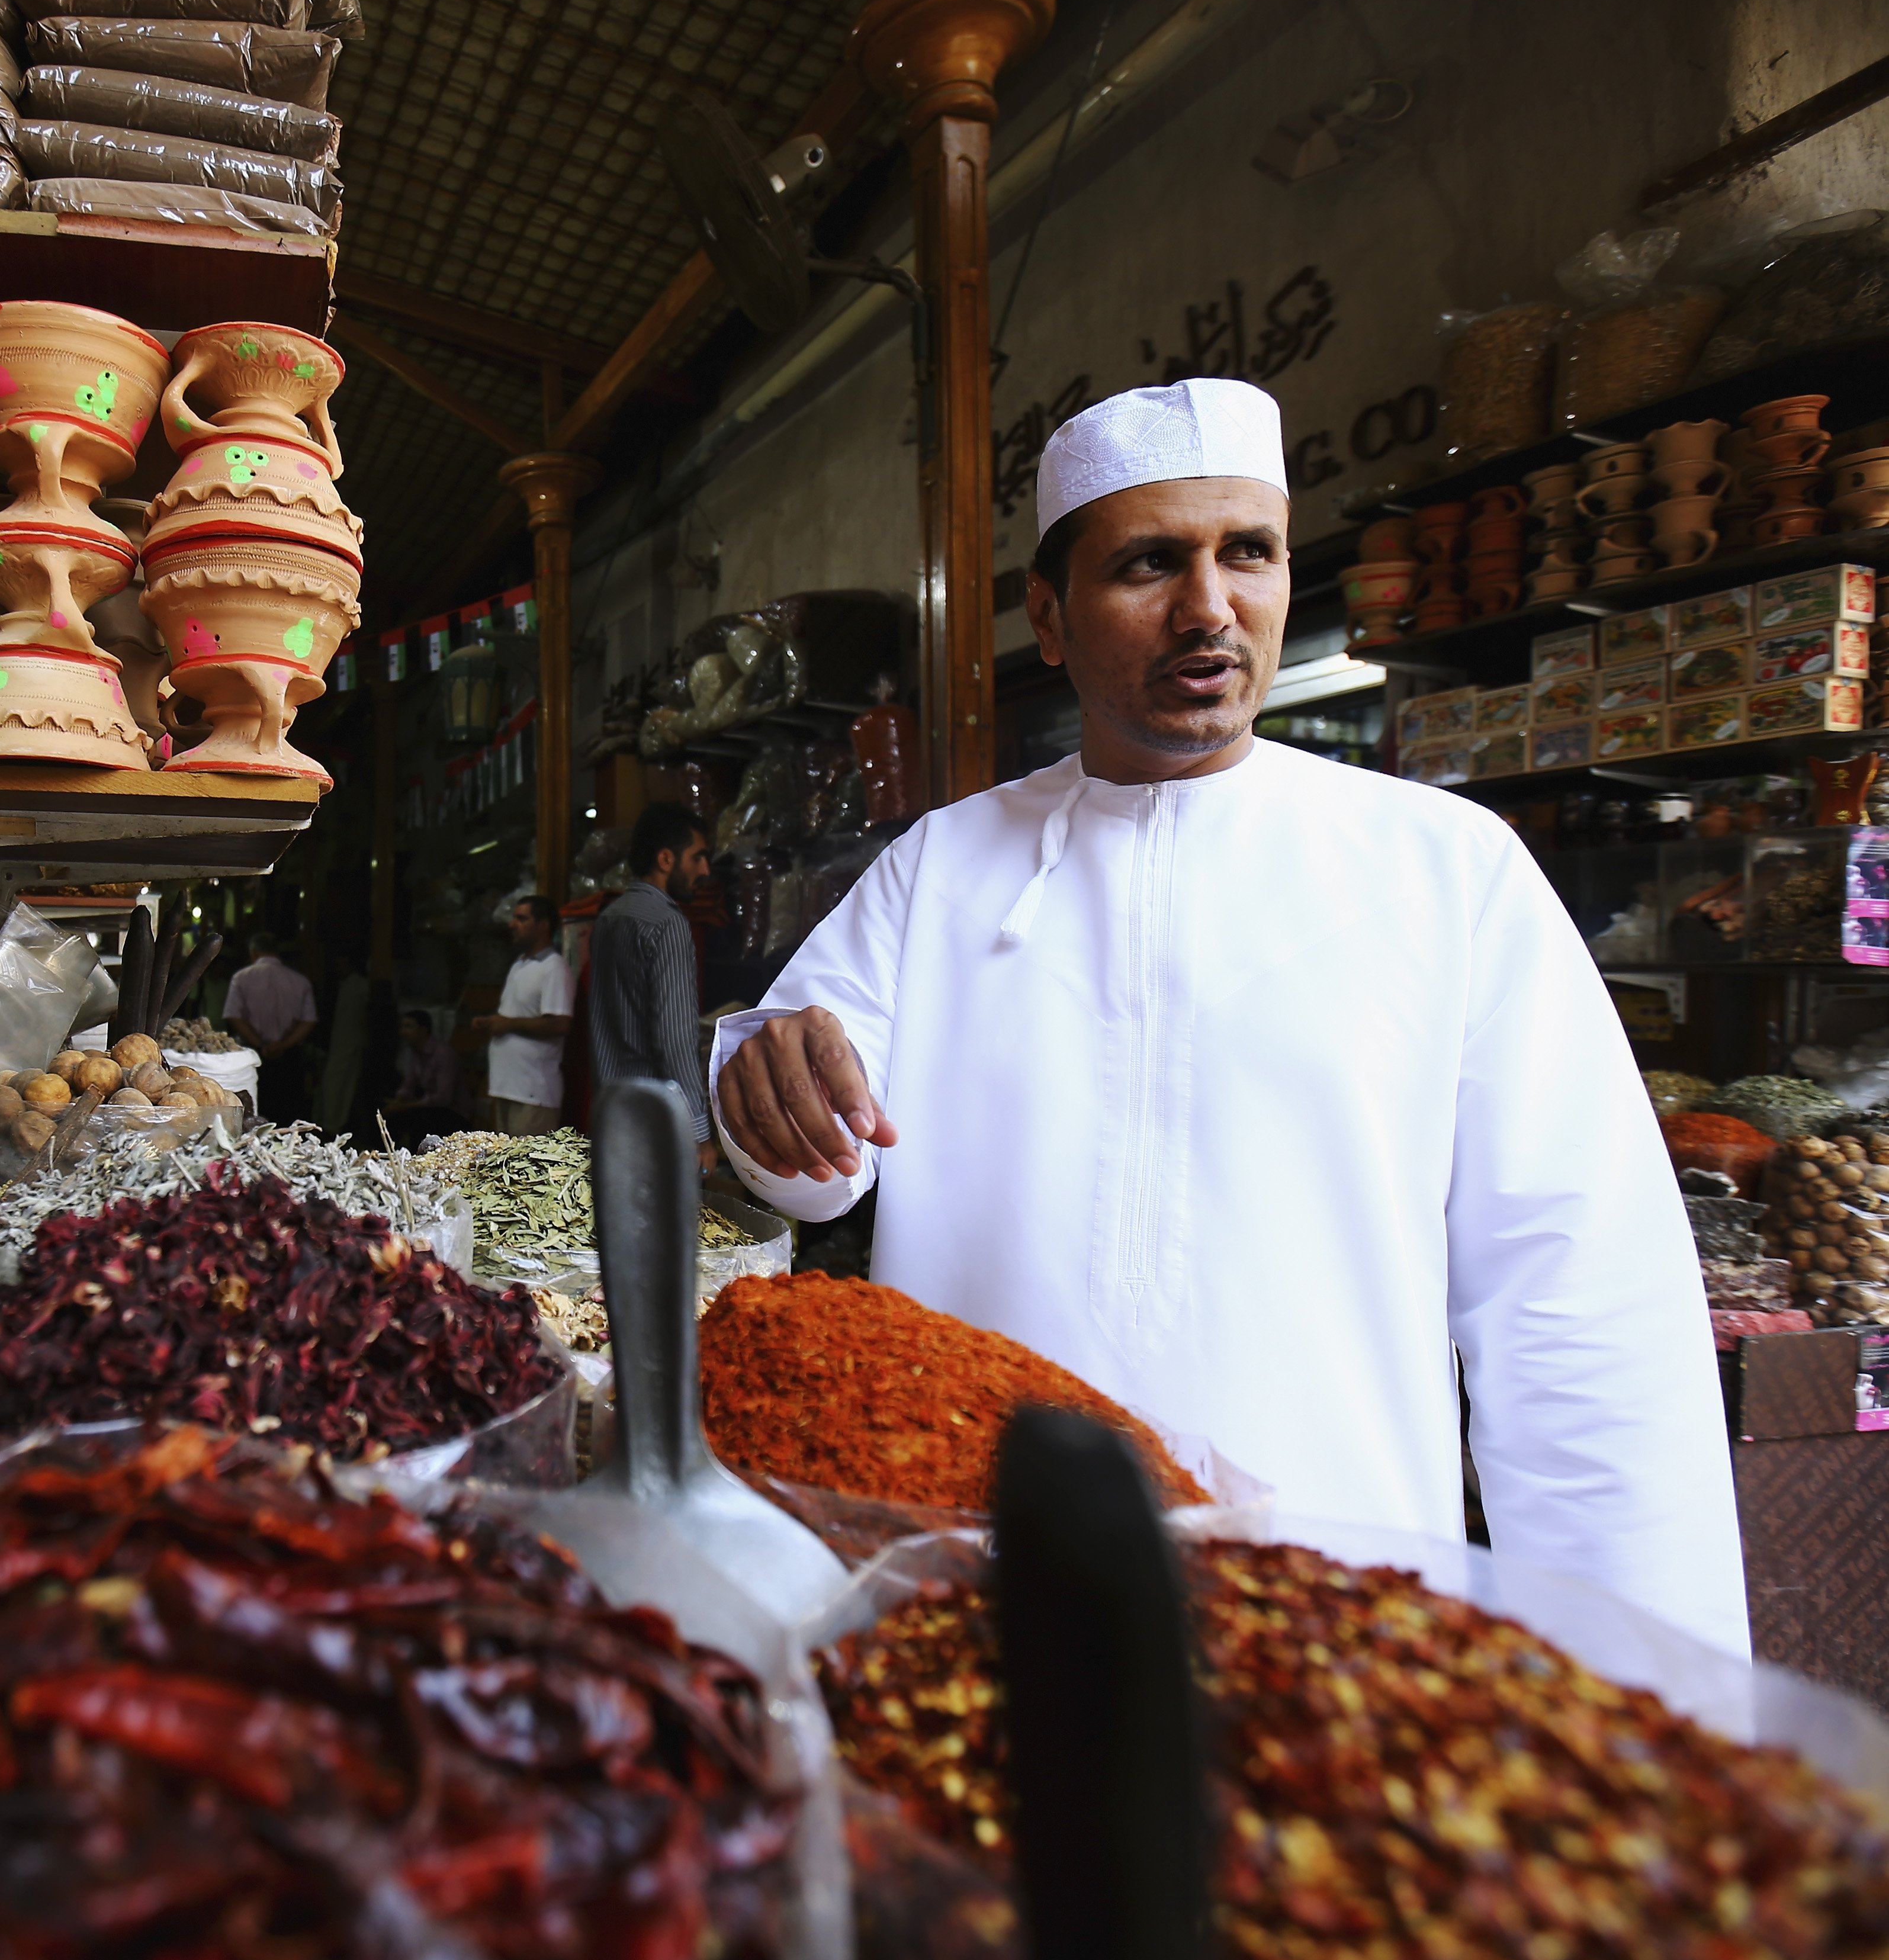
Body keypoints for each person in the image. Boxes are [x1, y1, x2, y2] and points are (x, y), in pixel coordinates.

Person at [709, 377, 1745, 1659]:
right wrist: (761, 1080)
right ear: (1047, 613)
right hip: (979, 1594)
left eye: (1245, 553)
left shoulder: (1440, 869)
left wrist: (1648, 1690)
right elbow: (800, 1161)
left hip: (1337, 1608)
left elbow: (1580, 1313)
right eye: (1149, 563)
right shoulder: (942, 867)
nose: (1209, 607)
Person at [590, 803, 717, 1171]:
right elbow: (674, 1037)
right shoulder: (667, 924)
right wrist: (698, 1131)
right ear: (666, 859)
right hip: (657, 1121)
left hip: (612, 1113)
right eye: (698, 858)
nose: (705, 870)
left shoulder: (609, 919)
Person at [471, 894, 570, 1136]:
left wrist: (509, 1024)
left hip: (534, 1093)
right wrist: (493, 1023)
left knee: (525, 1168)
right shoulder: (520, 965)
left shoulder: (554, 968)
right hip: (508, 1087)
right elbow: (517, 1015)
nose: (512, 924)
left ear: (544, 925)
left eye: (522, 919)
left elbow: (560, 1024)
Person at [223, 931, 317, 1123]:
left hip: (255, 1055)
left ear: (254, 953)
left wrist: (262, 1043)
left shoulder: (242, 978)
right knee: (289, 1114)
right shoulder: (300, 981)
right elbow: (309, 1021)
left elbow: (234, 1016)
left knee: (257, 1114)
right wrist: (283, 1044)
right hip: (290, 1058)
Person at [383, 1009, 460, 1149]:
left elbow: (443, 1099)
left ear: (423, 1030)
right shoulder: (414, 1052)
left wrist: (402, 1106)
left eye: (409, 1027)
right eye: (403, 1027)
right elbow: (409, 1083)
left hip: (452, 1112)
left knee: (417, 1120)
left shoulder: (443, 1054)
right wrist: (397, 1101)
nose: (403, 1032)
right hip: (429, 1106)